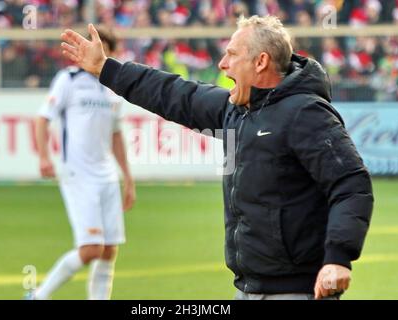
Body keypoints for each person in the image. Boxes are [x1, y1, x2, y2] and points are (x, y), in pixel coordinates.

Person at [60, 16, 374, 300]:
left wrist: (337, 259)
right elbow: (173, 93)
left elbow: (350, 183)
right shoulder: (235, 110)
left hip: (298, 291)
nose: (222, 64)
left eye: (232, 54)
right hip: (247, 289)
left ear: (261, 61)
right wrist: (106, 68)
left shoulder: (305, 113)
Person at [32, 27, 136, 300]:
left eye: (108, 52)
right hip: (78, 173)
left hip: (107, 175)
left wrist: (128, 178)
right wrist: (44, 156)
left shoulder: (113, 90)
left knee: (110, 249)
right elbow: (43, 119)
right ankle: (38, 295)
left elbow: (115, 135)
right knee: (91, 249)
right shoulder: (69, 79)